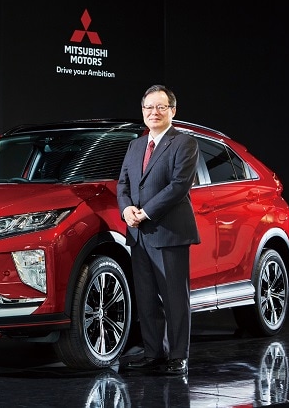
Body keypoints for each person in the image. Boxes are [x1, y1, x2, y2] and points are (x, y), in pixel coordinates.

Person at [117, 84, 200, 375]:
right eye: (149, 107)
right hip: (139, 234)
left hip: (168, 232)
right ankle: (153, 354)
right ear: (143, 111)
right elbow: (123, 184)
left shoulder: (184, 142)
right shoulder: (135, 145)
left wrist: (146, 212)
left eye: (161, 107)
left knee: (175, 299)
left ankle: (178, 357)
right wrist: (126, 209)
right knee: (147, 298)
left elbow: (179, 186)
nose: (154, 112)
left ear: (172, 111)